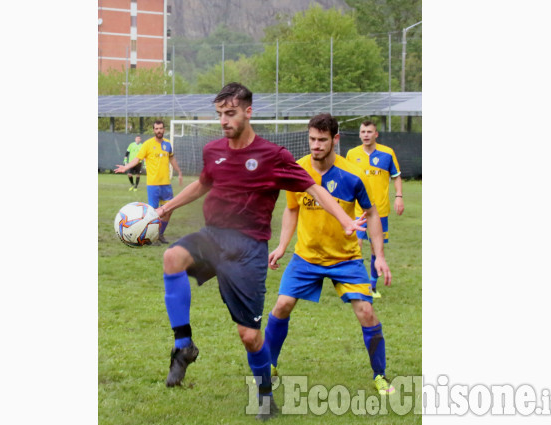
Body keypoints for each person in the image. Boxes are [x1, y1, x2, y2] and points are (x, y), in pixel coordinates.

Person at [154, 83, 366, 421]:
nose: (224, 120)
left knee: (250, 337)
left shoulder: (273, 156)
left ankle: (265, 395)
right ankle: (183, 346)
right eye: (220, 114)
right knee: (172, 257)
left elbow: (313, 187)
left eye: (231, 113)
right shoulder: (214, 150)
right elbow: (204, 183)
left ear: (248, 112)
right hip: (214, 237)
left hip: (248, 252)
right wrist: (170, 207)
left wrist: (344, 219)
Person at [263, 113, 395, 397]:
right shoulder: (297, 169)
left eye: (322, 140)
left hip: (345, 258)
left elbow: (371, 214)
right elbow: (291, 209)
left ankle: (380, 375)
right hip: (306, 257)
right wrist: (282, 246)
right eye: (312, 139)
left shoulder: (353, 174)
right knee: (282, 305)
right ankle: (269, 366)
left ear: (335, 139)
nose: (316, 145)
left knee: (367, 312)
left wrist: (379, 256)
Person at [346, 121, 404, 298]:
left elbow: (397, 177)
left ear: (376, 134)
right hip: (358, 209)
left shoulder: (387, 153)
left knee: (375, 248)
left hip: (380, 211)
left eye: (369, 131)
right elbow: (346, 179)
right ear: (359, 134)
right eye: (363, 131)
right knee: (356, 246)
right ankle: (356, 282)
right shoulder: (352, 154)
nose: (366, 134)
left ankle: (372, 285)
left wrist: (399, 197)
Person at [115, 120, 183, 244]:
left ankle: (160, 234)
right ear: (153, 130)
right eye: (156, 128)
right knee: (153, 213)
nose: (159, 131)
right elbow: (137, 159)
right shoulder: (147, 144)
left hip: (166, 184)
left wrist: (179, 171)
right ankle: (152, 236)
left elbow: (171, 157)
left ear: (164, 129)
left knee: (169, 210)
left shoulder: (168, 144)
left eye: (161, 128)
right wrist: (126, 167)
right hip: (153, 184)